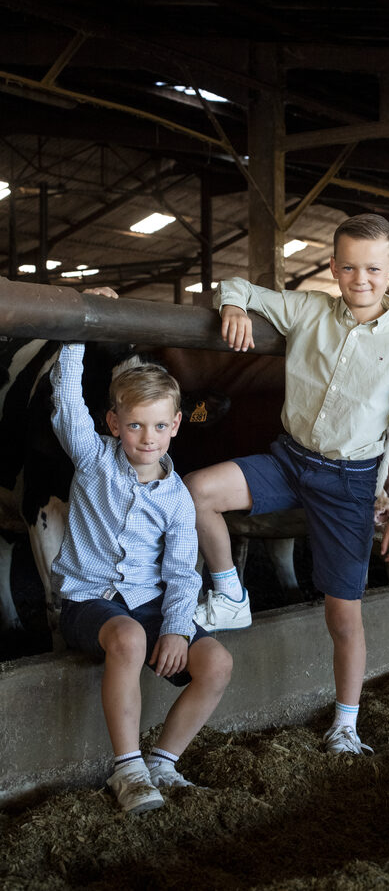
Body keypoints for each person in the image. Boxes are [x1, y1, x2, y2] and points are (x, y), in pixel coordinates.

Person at [185, 213, 389, 755]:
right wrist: (233, 305)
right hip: (290, 460)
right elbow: (238, 286)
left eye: (372, 268)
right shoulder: (309, 309)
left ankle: (346, 723)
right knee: (194, 490)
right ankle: (230, 592)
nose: (360, 279)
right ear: (332, 267)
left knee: (342, 613)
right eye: (348, 267)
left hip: (349, 483)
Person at [50, 288, 233, 814]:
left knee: (216, 661)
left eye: (158, 426)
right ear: (113, 424)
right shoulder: (93, 460)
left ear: (176, 425)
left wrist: (176, 626)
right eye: (134, 425)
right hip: (91, 605)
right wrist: (79, 327)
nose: (147, 438)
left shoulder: (178, 498)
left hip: (152, 607)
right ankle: (127, 771)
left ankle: (162, 763)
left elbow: (181, 572)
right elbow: (66, 403)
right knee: (128, 637)